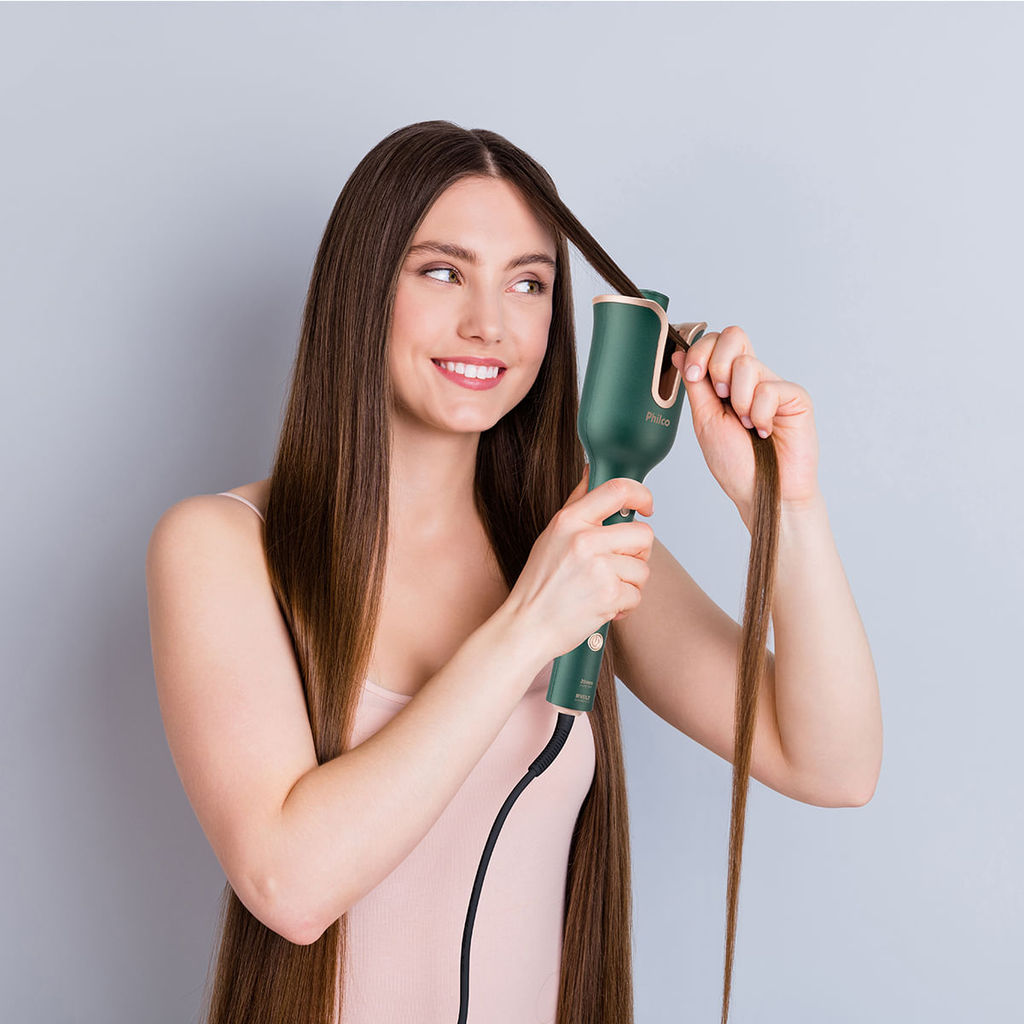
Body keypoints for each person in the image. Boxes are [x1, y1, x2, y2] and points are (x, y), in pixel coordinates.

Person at [145, 120, 882, 1024]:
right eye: (442, 272)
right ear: (361, 286)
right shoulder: (224, 547)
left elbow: (833, 762)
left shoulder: (579, 539)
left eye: (528, 284)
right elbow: (289, 886)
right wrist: (529, 626)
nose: (488, 325)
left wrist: (784, 505)